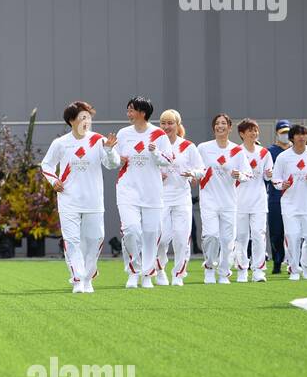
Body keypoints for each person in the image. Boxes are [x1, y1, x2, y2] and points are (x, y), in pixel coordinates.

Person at [40, 100, 120, 293]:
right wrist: (54, 181)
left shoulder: (98, 141)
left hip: (93, 200)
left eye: (89, 117)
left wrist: (109, 150)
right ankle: (78, 279)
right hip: (69, 199)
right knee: (72, 241)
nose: (87, 121)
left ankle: (88, 277)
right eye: (82, 117)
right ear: (71, 120)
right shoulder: (61, 143)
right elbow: (46, 165)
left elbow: (113, 164)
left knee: (96, 238)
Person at [113, 96, 170, 288]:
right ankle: (133, 272)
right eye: (128, 109)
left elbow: (168, 160)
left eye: (132, 110)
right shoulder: (123, 134)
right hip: (127, 189)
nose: (128, 113)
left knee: (151, 233)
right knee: (131, 230)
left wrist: (155, 153)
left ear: (142, 112)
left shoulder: (159, 134)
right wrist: (113, 156)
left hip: (152, 192)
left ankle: (147, 275)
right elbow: (114, 161)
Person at [271, 124, 307, 282]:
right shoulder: (283, 157)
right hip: (290, 204)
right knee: (292, 236)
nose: (302, 137)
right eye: (298, 134)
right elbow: (275, 179)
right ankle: (294, 269)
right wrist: (281, 184)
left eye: (304, 134)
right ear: (292, 138)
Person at [155, 109, 203, 285]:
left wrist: (192, 173)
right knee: (162, 238)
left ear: (177, 125)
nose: (167, 127)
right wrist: (156, 176)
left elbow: (202, 170)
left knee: (182, 238)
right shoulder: (155, 145)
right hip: (160, 198)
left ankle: (178, 275)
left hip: (182, 197)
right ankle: (160, 270)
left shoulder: (187, 146)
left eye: (170, 123)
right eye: (163, 123)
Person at [197, 114, 243, 284]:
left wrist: (240, 175)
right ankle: (209, 267)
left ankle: (224, 273)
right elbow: (197, 167)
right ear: (213, 127)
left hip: (229, 201)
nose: (220, 126)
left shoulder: (237, 150)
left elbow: (247, 173)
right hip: (209, 199)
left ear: (230, 128)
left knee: (227, 240)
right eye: (217, 123)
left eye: (223, 123)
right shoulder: (203, 148)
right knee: (211, 235)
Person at [232, 119, 274, 282]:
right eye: (250, 130)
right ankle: (242, 270)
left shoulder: (264, 153)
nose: (253, 133)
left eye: (255, 130)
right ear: (242, 134)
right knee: (241, 236)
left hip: (259, 200)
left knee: (258, 235)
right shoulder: (236, 152)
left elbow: (267, 175)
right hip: (239, 200)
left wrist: (269, 175)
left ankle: (258, 271)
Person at [265, 118, 291, 273]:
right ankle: (277, 261)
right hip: (275, 197)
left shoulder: (296, 151)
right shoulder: (270, 152)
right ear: (277, 133)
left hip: (294, 197)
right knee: (276, 232)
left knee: (293, 231)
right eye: (282, 133)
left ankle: (293, 262)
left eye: (287, 132)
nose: (285, 135)